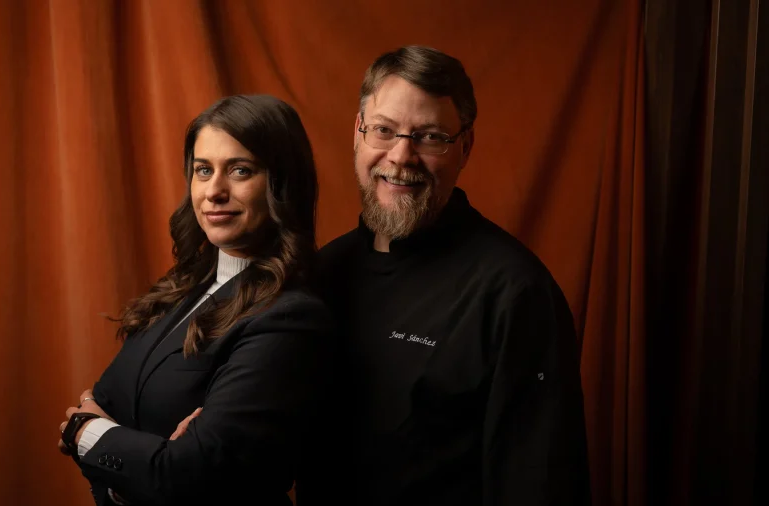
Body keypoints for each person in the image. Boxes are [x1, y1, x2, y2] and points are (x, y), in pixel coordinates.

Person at [296, 46, 591, 505]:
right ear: (357, 133)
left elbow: (541, 483)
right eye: (384, 130)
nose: (401, 157)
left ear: (465, 147)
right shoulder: (321, 272)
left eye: (430, 137)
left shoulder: (514, 292)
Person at [57, 94, 332, 506]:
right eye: (203, 170)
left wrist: (86, 434)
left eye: (240, 170)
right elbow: (101, 401)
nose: (214, 191)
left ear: (280, 182)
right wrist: (134, 472)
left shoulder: (291, 317)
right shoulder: (183, 289)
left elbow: (185, 473)